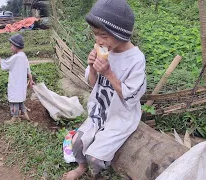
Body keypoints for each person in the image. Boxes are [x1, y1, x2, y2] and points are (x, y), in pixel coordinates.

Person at [62, 0, 147, 179]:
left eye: (104, 36)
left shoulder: (136, 59)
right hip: (99, 112)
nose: (99, 41)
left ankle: (95, 172)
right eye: (95, 35)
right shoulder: (105, 51)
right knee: (76, 142)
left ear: (121, 34)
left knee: (95, 157)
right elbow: (93, 84)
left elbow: (131, 97)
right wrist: (92, 67)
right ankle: (81, 167)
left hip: (120, 117)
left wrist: (109, 73)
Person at [0, 34, 34, 123]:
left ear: (16, 46)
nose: (11, 48)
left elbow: (5, 64)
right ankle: (25, 115)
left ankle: (15, 118)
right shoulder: (23, 56)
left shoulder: (16, 57)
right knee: (20, 99)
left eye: (12, 46)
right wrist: (31, 80)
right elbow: (28, 69)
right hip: (21, 84)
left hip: (15, 83)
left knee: (14, 100)